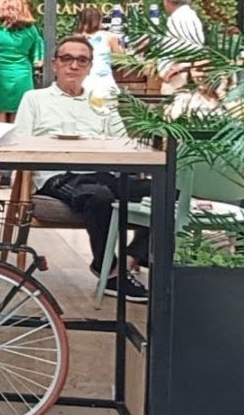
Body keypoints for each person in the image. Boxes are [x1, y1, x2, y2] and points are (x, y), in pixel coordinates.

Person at [15, 36, 148, 301]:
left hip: (102, 172)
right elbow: (19, 143)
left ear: (90, 66)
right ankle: (109, 271)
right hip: (58, 175)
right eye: (67, 59)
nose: (73, 66)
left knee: (166, 191)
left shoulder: (101, 102)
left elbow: (123, 143)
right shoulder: (35, 99)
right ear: (54, 64)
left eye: (81, 60)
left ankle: (134, 255)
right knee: (99, 197)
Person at [159, 0, 205, 94]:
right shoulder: (187, 15)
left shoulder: (180, 18)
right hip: (181, 72)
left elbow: (187, 47)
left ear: (168, 0)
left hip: (179, 75)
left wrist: (174, 69)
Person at [77, 6, 124, 95]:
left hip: (81, 81)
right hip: (104, 82)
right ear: (98, 21)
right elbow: (120, 59)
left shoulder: (75, 39)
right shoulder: (109, 37)